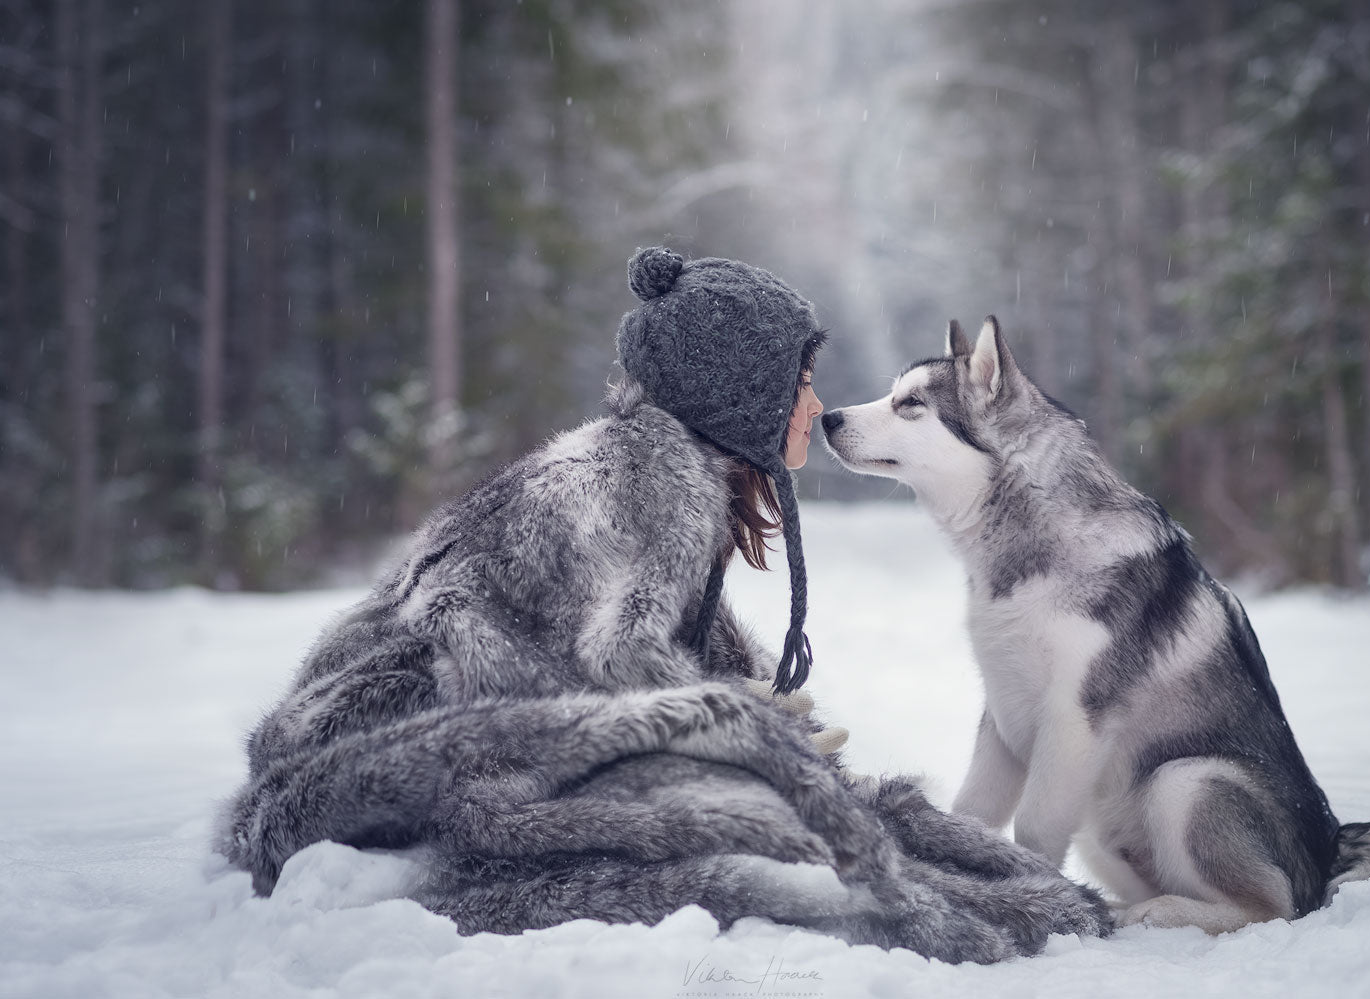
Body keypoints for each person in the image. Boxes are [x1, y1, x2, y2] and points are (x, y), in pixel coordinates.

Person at [214, 247, 1109, 963]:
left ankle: (957, 872)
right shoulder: (648, 472)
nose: (814, 402)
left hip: (374, 727)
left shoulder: (657, 461)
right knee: (749, 828)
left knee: (805, 800)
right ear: (738, 389)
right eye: (797, 379)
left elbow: (669, 656)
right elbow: (623, 658)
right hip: (388, 723)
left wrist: (760, 725)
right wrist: (749, 746)